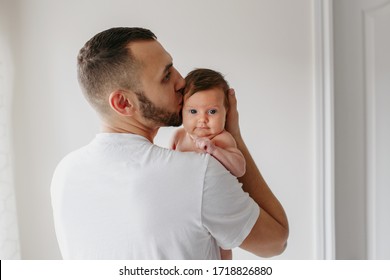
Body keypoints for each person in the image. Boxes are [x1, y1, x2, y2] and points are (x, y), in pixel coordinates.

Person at [51, 27, 289, 260]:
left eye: (173, 67)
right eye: (166, 76)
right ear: (123, 103)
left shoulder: (64, 173)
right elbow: (275, 242)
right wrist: (232, 135)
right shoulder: (198, 173)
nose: (182, 81)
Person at [171, 69, 245, 260]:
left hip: (218, 209)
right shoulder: (179, 136)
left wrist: (214, 151)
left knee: (222, 249)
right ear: (181, 111)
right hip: (185, 207)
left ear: (226, 113)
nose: (202, 119)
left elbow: (239, 168)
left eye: (212, 111)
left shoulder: (222, 139)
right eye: (193, 111)